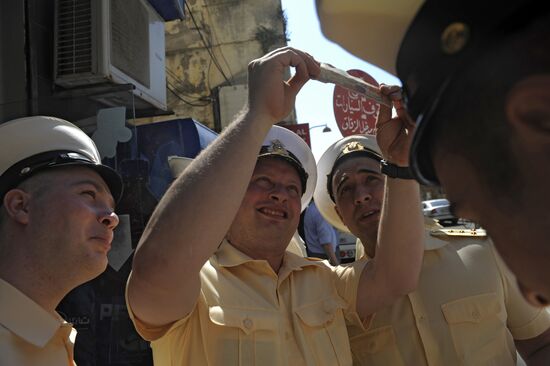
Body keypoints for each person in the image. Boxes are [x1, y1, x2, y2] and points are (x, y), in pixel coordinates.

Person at [126, 47, 424, 365]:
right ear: (229, 197)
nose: (279, 194)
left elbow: (397, 277)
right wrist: (257, 115)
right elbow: (157, 267)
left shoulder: (326, 281)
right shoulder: (197, 286)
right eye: (263, 182)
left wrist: (400, 164)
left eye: (292, 189)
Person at [315, 0, 550, 307]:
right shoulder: (342, 289)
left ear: (537, 113)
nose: (533, 295)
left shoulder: (474, 254)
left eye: (488, 220)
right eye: (345, 188)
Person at [314, 134, 550, 365]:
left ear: (396, 187)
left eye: (372, 179)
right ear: (339, 216)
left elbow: (541, 345)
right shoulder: (344, 298)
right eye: (346, 189)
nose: (362, 196)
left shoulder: (482, 252)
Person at [0, 116, 122, 365]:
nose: (112, 218)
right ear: (21, 206)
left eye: (111, 206)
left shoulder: (55, 339)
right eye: (88, 194)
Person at [303, 199, 339, 265]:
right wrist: (336, 265)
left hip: (316, 254)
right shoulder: (320, 212)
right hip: (325, 256)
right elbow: (326, 243)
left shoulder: (311, 208)